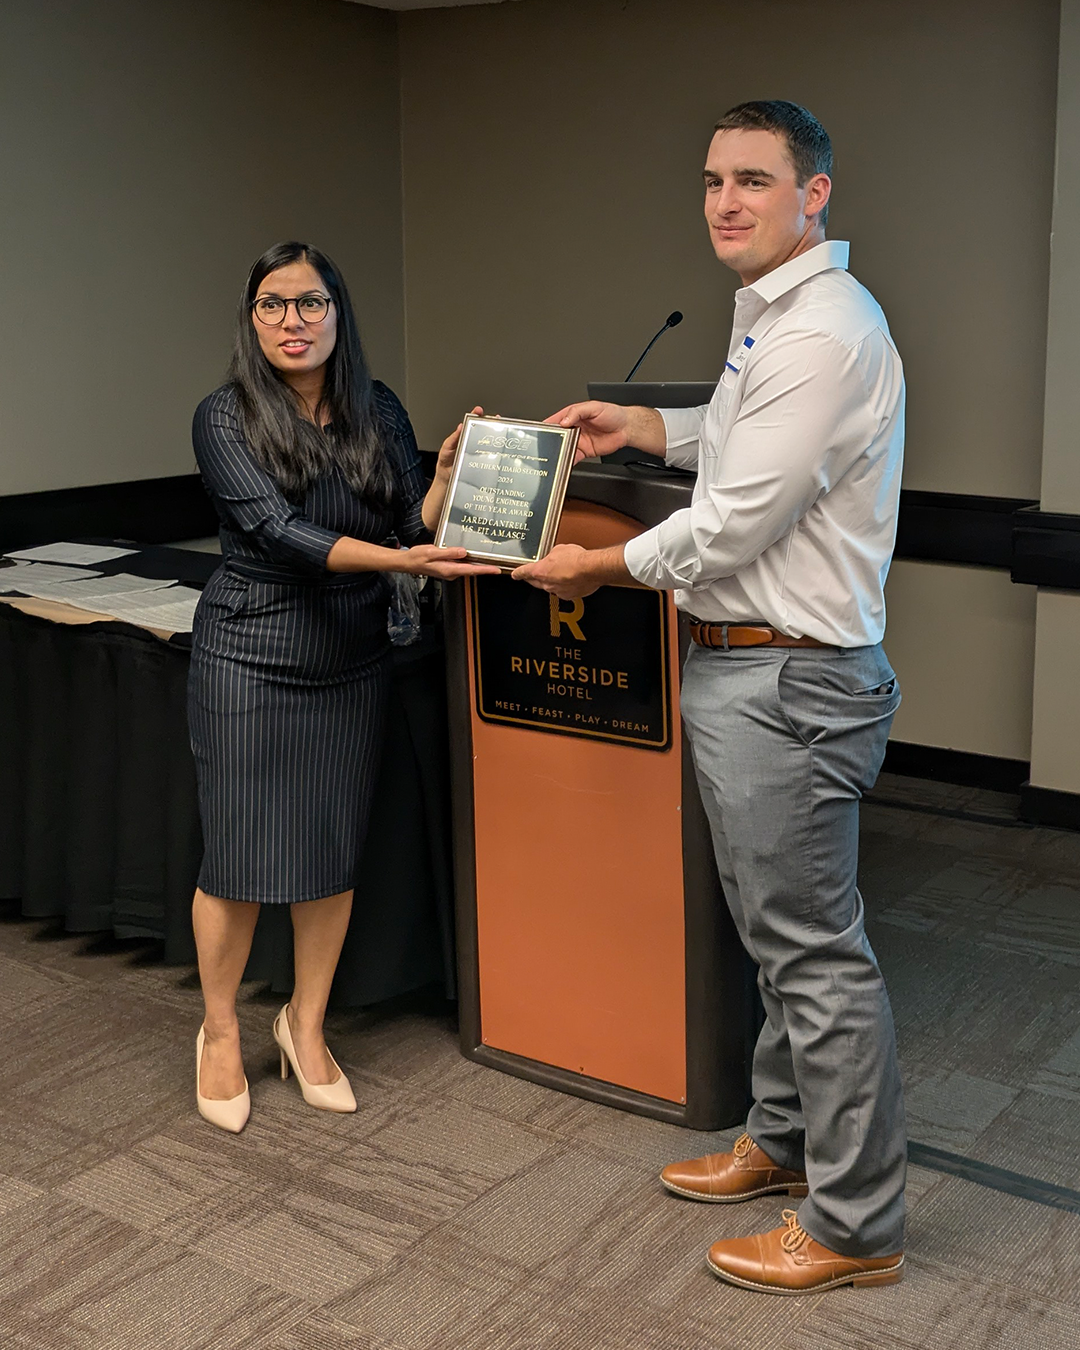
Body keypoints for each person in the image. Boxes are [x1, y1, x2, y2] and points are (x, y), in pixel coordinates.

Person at [514, 102, 907, 1294]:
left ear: (814, 193)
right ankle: (783, 1142)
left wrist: (595, 567)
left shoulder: (824, 330)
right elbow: (745, 444)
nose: (725, 202)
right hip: (750, 668)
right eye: (711, 180)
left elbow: (738, 520)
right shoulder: (773, 316)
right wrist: (649, 426)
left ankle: (855, 1226)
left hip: (789, 678)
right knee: (774, 937)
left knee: (815, 958)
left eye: (753, 179)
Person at [189, 241, 496, 1133]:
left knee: (330, 853)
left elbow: (412, 526)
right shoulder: (224, 416)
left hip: (352, 654)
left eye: (311, 303)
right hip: (250, 650)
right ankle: (218, 1032)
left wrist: (444, 481)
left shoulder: (378, 407)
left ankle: (306, 1023)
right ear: (252, 319)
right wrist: (403, 562)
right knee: (238, 858)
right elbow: (279, 533)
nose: (293, 321)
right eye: (273, 305)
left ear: (337, 314)